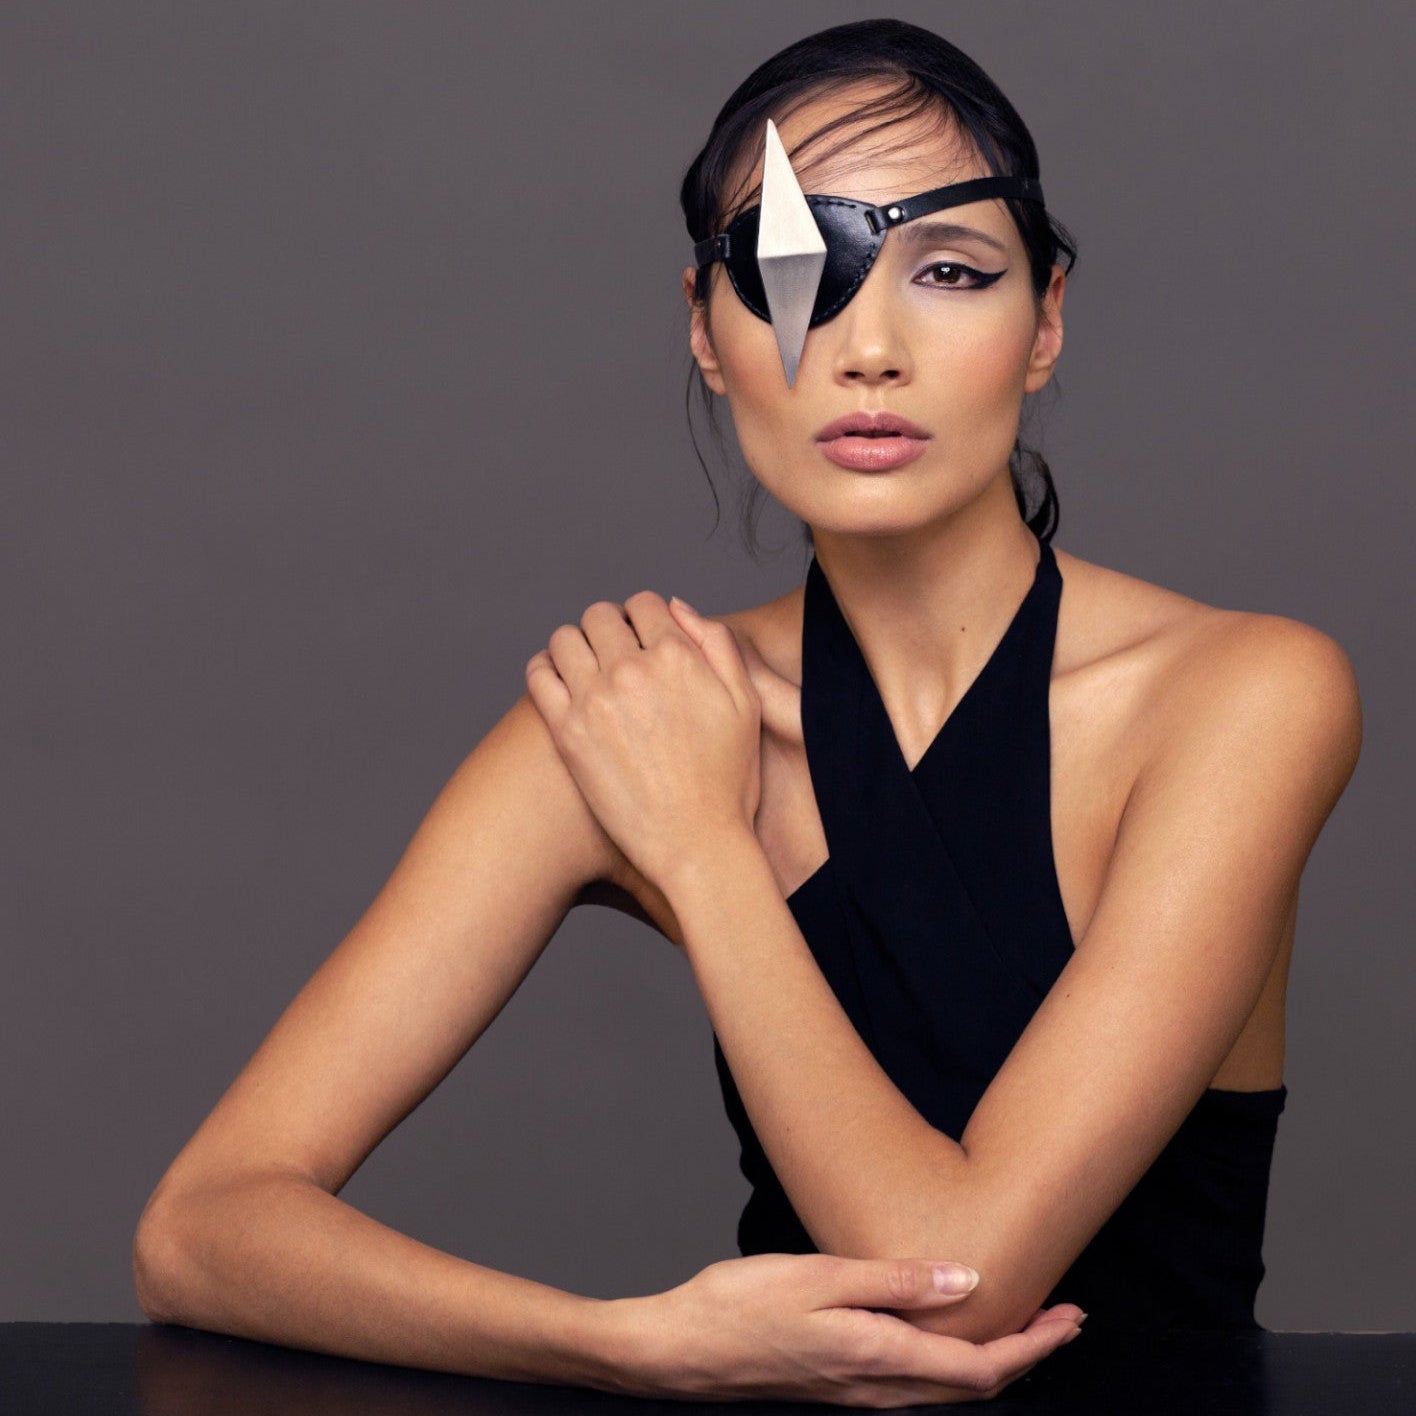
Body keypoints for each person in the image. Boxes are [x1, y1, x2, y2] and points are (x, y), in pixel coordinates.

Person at [132, 17, 1362, 1407]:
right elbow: (202, 1228)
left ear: (1047, 321)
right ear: (708, 336)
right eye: (796, 277)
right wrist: (632, 1342)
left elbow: (954, 1285)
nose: (870, 349)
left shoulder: (1244, 693)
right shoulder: (645, 716)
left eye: (951, 274)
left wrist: (704, 853)